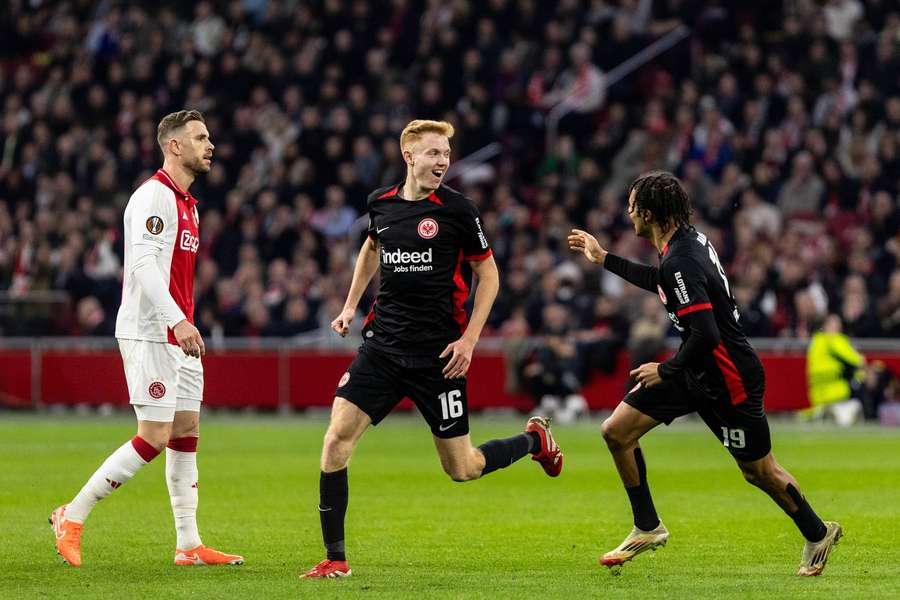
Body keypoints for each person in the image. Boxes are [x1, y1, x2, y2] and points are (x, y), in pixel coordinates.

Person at [300, 120, 563, 580]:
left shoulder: (459, 211)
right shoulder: (380, 204)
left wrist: (469, 341)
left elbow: (490, 276)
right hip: (382, 350)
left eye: (446, 153)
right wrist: (349, 306)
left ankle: (534, 440)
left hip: (439, 359)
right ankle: (335, 558)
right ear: (410, 156)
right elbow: (371, 248)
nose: (442, 161)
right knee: (335, 439)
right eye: (433, 153)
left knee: (463, 469)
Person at [568, 171, 841, 576]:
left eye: (631, 208)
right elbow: (663, 282)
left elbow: (707, 334)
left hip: (728, 379)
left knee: (758, 472)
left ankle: (818, 533)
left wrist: (667, 368)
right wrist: (604, 258)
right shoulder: (683, 244)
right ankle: (647, 526)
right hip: (695, 367)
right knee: (616, 432)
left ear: (648, 213)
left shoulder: (681, 259)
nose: (627, 215)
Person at [50, 110, 243, 568]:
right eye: (200, 138)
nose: (209, 145)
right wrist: (178, 321)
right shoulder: (153, 197)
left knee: (185, 432)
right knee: (154, 436)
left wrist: (183, 324)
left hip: (179, 335)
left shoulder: (189, 204)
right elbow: (142, 269)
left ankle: (188, 544)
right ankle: (71, 516)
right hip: (153, 332)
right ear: (174, 146)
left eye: (209, 137)